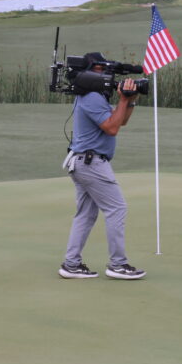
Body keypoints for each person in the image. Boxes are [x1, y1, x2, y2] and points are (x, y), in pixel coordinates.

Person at [59, 52, 146, 281]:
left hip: (83, 162)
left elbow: (121, 120)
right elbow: (112, 128)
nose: (105, 74)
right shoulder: (92, 97)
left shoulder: (93, 95)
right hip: (91, 163)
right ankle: (118, 264)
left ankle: (71, 264)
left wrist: (130, 99)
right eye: (99, 69)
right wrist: (124, 100)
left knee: (86, 215)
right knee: (117, 209)